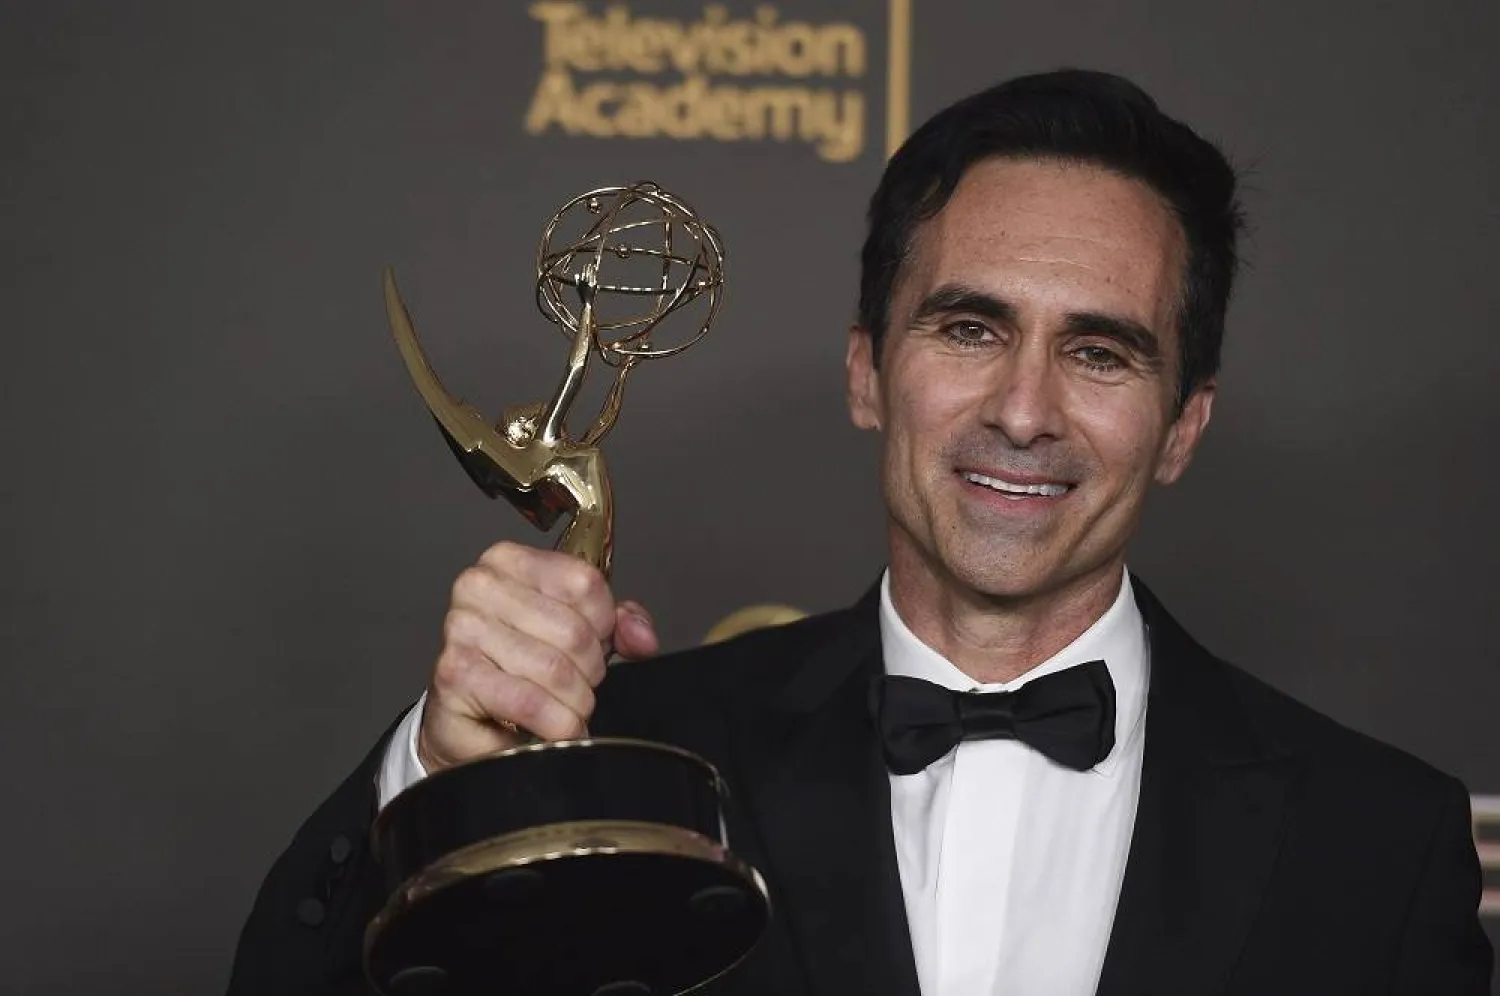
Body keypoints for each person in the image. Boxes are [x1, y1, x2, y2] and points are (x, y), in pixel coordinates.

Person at [228, 70, 1493, 996]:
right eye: (969, 328)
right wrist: (444, 776)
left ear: (1182, 425)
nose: (1023, 410)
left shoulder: (1379, 844)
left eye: (1100, 353)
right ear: (867, 375)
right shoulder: (631, 760)